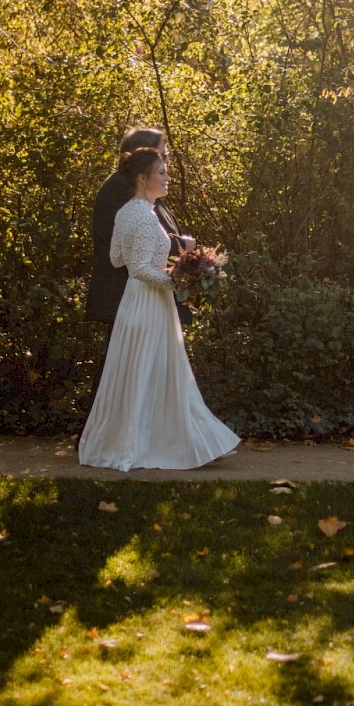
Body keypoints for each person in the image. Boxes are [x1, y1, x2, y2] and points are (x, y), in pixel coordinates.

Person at [78, 145, 241, 470]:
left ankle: (188, 439)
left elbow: (116, 258)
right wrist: (181, 282)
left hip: (137, 302)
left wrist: (176, 260)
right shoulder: (140, 215)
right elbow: (138, 269)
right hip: (149, 305)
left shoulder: (129, 212)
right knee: (156, 372)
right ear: (142, 177)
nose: (168, 178)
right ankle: (158, 444)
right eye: (161, 173)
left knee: (155, 372)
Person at [84, 127, 193, 412]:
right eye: (162, 157)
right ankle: (101, 433)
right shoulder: (124, 191)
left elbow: (125, 250)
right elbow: (133, 248)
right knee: (122, 369)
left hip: (141, 295)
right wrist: (180, 273)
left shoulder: (140, 193)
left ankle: (126, 434)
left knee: (131, 369)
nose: (166, 165)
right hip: (129, 297)